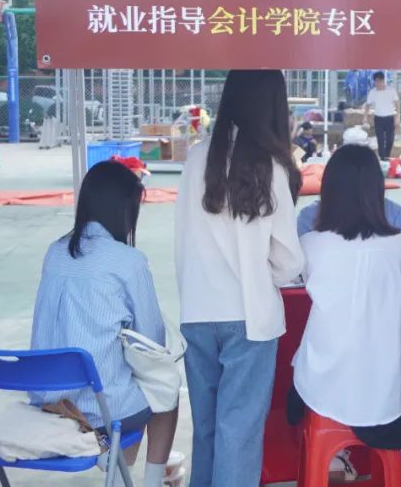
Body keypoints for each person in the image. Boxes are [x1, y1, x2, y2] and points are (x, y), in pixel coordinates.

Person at [175, 69, 305, 487]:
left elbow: (182, 238)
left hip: (197, 312)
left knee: (207, 430)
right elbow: (288, 262)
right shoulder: (273, 167)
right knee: (239, 434)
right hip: (250, 316)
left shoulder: (197, 158)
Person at [30, 161, 179, 487]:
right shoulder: (128, 261)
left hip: (46, 400)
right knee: (166, 390)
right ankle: (147, 479)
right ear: (123, 209)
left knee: (122, 385)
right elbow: (152, 342)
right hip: (101, 410)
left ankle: (111, 460)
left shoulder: (54, 252)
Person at [289, 144, 401, 482]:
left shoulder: (310, 245)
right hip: (387, 390)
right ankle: (395, 467)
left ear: (329, 190)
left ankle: (332, 460)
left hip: (320, 385)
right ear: (377, 190)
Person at [366, 71, 400, 161]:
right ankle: (382, 159)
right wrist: (365, 116)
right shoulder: (372, 92)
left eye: (380, 81)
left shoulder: (391, 90)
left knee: (390, 140)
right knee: (380, 140)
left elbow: (397, 103)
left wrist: (397, 116)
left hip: (389, 118)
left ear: (383, 81)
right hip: (378, 118)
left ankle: (386, 156)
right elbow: (368, 104)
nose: (378, 83)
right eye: (376, 81)